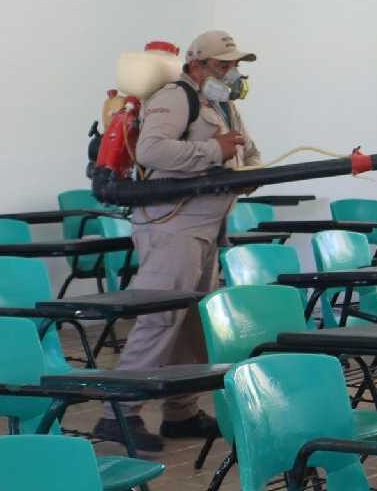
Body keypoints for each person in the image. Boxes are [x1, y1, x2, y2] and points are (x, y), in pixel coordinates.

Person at [93, 30, 260, 452]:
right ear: (198, 64)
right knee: (160, 318)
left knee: (191, 323)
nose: (232, 73)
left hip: (206, 228)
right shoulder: (175, 97)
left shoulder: (224, 106)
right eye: (224, 65)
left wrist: (249, 171)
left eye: (234, 65)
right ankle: (118, 413)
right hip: (173, 226)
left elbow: (248, 154)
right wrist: (212, 152)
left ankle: (180, 412)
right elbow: (152, 151)